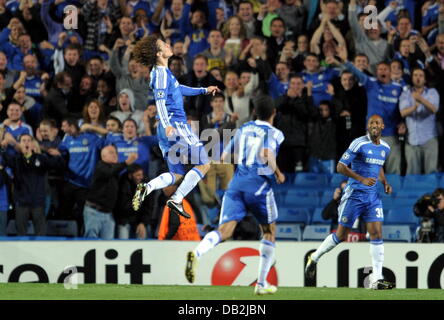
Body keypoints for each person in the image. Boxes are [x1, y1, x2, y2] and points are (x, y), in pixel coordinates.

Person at [185, 96, 285, 296]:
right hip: (258, 186)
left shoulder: (244, 128)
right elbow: (266, 153)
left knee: (225, 230)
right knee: (269, 231)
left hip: (236, 184)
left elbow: (224, 157)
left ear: (255, 112)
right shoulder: (275, 133)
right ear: (273, 112)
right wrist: (278, 172)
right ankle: (261, 283)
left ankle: (197, 252)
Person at [131, 34, 220, 219]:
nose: (168, 44)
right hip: (175, 125)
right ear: (158, 53)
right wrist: (168, 124)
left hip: (165, 129)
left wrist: (204, 90)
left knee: (177, 173)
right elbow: (160, 101)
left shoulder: (161, 72)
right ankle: (177, 198)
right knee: (204, 163)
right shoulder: (161, 73)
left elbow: (179, 89)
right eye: (164, 44)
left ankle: (147, 187)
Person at [305, 114, 395, 290]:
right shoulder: (358, 143)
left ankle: (377, 278)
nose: (374, 125)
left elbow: (378, 166)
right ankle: (314, 257)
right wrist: (360, 179)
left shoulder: (385, 147)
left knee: (376, 233)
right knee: (341, 235)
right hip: (354, 195)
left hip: (372, 197)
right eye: (371, 123)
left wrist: (385, 182)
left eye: (377, 122)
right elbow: (340, 166)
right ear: (367, 126)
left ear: (383, 126)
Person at [2, 134, 63, 236]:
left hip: (38, 203)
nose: (26, 142)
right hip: (21, 203)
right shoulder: (16, 160)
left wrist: (58, 156)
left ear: (32, 143)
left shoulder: (41, 159)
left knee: (41, 234)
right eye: (23, 140)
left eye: (28, 140)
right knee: (21, 234)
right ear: (19, 144)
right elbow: (4, 158)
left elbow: (58, 165)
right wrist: (3, 148)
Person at [83, 145, 137, 239]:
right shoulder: (100, 167)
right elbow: (110, 172)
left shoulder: (115, 171)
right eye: (111, 153)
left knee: (108, 245)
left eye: (116, 153)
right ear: (103, 156)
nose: (115, 155)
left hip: (108, 214)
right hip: (94, 212)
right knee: (91, 242)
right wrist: (126, 162)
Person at [399, 67, 440, 174]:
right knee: (412, 173)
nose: (418, 78)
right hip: (412, 140)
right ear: (412, 78)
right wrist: (414, 107)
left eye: (421, 75)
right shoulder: (406, 94)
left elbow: (434, 109)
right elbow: (403, 112)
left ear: (425, 79)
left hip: (429, 139)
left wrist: (420, 99)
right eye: (415, 75)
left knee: (431, 173)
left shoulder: (432, 92)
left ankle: (431, 191)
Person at [114, 164, 151, 239]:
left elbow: (149, 206)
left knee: (144, 232)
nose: (141, 177)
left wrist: (142, 223)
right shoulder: (122, 184)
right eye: (138, 175)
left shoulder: (146, 185)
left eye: (142, 174)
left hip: (139, 218)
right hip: (124, 219)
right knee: (123, 238)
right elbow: (122, 207)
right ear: (130, 176)